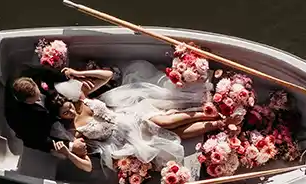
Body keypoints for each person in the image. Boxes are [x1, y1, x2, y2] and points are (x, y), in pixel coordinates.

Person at [50, 61, 216, 174]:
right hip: (126, 141)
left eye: (69, 107)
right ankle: (216, 123)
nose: (71, 112)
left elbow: (107, 75)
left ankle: (206, 114)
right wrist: (69, 154)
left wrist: (79, 73)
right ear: (61, 117)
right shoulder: (76, 131)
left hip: (128, 115)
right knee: (176, 134)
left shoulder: (82, 98)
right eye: (65, 113)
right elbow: (87, 167)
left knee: (164, 121)